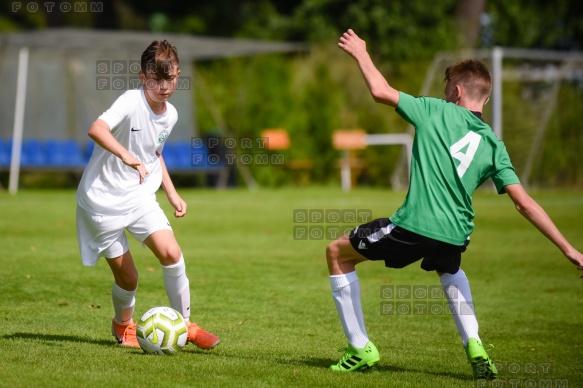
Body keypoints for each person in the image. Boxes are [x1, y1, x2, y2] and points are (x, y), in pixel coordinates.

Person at [327, 29, 583, 378]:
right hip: (455, 233)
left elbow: (380, 91)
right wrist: (569, 249)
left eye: (448, 88)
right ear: (485, 99)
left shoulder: (434, 110)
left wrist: (360, 53)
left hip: (414, 225)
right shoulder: (494, 144)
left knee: (337, 254)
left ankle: (359, 348)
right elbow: (525, 204)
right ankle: (474, 342)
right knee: (449, 268)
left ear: (457, 91)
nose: (444, 93)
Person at [76, 40, 219, 350]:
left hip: (139, 195)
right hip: (102, 201)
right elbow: (96, 129)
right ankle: (123, 324)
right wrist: (126, 156)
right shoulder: (130, 101)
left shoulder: (171, 115)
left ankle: (185, 325)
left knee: (171, 253)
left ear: (178, 75)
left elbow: (154, 154)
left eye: (169, 79)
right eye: (155, 80)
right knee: (129, 279)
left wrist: (172, 192)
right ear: (143, 77)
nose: (163, 87)